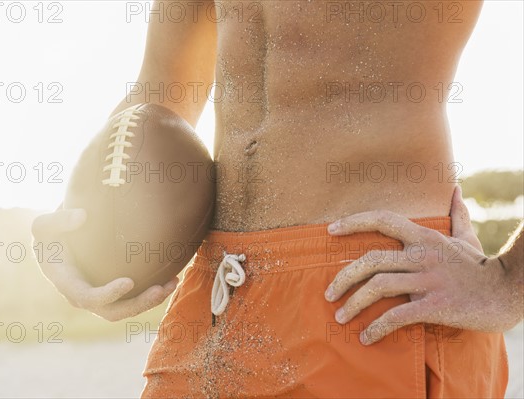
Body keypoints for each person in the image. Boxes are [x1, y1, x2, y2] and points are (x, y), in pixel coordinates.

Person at [32, 1, 522, 397]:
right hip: (214, 293)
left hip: (372, 289)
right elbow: (161, 95)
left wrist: (507, 283)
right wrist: (83, 229)